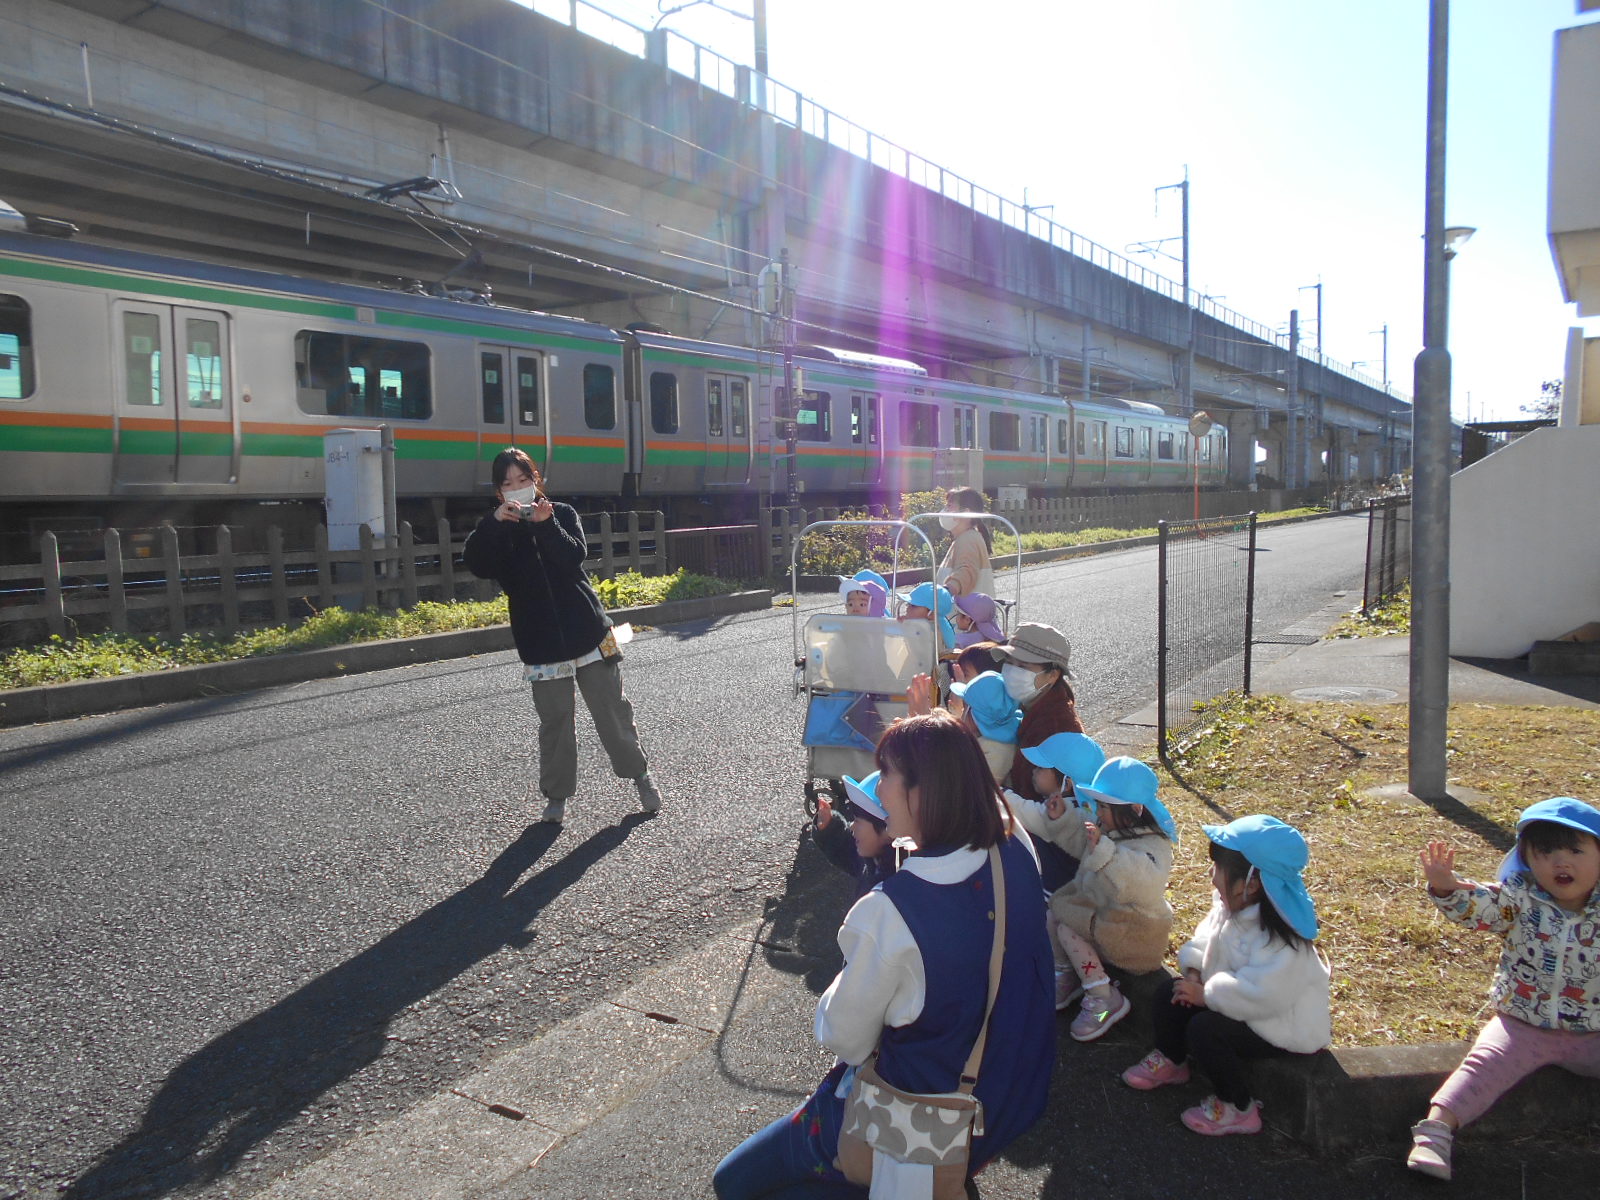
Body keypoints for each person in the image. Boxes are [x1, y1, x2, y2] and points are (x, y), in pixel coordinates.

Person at [712, 711, 1056, 1199]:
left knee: (733, 1182)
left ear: (924, 791)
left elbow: (844, 1038)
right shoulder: (1014, 844)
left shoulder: (889, 914)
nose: (880, 790)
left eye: (887, 774)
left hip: (915, 1124)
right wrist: (936, 726)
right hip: (1003, 1097)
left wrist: (852, 970)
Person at [1405, 797, 1600, 1182]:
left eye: (1575, 851)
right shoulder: (1519, 898)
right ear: (1526, 859)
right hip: (1522, 1023)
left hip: (1594, 1030)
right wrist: (1447, 888)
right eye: (1545, 853)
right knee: (1483, 1066)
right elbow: (1480, 906)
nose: (1561, 862)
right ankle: (1435, 1133)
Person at [463, 447, 661, 825]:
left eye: (524, 480)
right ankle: (557, 797)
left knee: (612, 711)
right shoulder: (497, 529)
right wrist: (494, 524)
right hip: (540, 643)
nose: (517, 488)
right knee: (555, 722)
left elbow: (573, 557)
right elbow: (477, 564)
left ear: (536, 481)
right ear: (498, 492)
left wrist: (545, 524)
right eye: (508, 484)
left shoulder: (562, 514)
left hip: (589, 631)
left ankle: (640, 776)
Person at [1120, 815, 1331, 1137]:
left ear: (1251, 883)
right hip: (1236, 1004)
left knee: (1207, 1030)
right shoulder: (1231, 906)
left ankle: (1238, 1106)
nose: (1212, 875)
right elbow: (1206, 937)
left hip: (1279, 1026)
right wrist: (1194, 973)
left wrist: (1207, 996)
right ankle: (1172, 1060)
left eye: (1219, 868)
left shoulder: (1284, 941)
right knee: (1169, 993)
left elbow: (1265, 995)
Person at [1038, 757, 1176, 1040]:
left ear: (1133, 811)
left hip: (1134, 932)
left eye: (1104, 807)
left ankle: (1103, 998)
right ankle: (1066, 973)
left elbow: (1142, 882)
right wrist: (1063, 818)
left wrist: (1107, 852)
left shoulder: (1154, 846)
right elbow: (1084, 839)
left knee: (1067, 928)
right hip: (1110, 919)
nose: (1098, 813)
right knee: (1054, 914)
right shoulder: (1115, 830)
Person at [812, 772, 899, 898]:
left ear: (888, 830)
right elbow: (849, 852)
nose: (852, 826)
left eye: (857, 820)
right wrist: (829, 828)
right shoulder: (875, 858)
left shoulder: (894, 889)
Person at [948, 670, 1021, 785]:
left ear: (976, 718)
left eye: (966, 706)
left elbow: (982, 789)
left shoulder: (998, 751)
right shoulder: (989, 736)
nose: (964, 710)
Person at [937, 486, 995, 598]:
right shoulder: (965, 537)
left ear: (965, 513)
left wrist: (948, 589)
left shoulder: (968, 539)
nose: (945, 511)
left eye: (949, 506)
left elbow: (967, 570)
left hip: (965, 609)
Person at [898, 580, 956, 652]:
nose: (907, 608)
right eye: (908, 604)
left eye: (913, 606)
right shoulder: (921, 622)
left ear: (931, 613)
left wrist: (908, 627)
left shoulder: (936, 630)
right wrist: (903, 625)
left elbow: (923, 650)